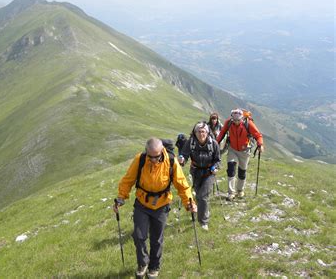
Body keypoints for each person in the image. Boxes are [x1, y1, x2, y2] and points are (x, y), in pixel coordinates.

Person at [113, 138, 197, 278]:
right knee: (139, 236)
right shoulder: (140, 160)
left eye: (157, 156)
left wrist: (189, 203)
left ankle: (154, 266)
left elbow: (182, 184)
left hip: (162, 204)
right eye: (150, 157)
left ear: (162, 151)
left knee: (157, 239)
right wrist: (121, 197)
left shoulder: (171, 161)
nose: (153, 160)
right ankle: (143, 263)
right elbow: (128, 179)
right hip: (142, 203)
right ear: (146, 152)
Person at [179, 122, 220, 231]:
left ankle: (203, 221)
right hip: (196, 172)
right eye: (199, 132)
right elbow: (184, 155)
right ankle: (204, 211)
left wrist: (215, 167)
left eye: (203, 132)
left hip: (209, 172)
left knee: (202, 196)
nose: (201, 134)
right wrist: (182, 160)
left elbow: (217, 160)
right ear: (195, 132)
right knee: (198, 196)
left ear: (207, 132)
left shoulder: (213, 144)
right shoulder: (190, 142)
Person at [216, 109, 264, 200]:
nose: (236, 122)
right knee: (231, 169)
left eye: (238, 120)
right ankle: (231, 192)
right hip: (232, 149)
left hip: (245, 151)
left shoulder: (248, 123)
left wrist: (260, 145)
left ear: (242, 118)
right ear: (232, 118)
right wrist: (216, 143)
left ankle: (240, 190)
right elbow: (222, 133)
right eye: (234, 120)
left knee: (242, 171)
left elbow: (258, 135)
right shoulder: (228, 123)